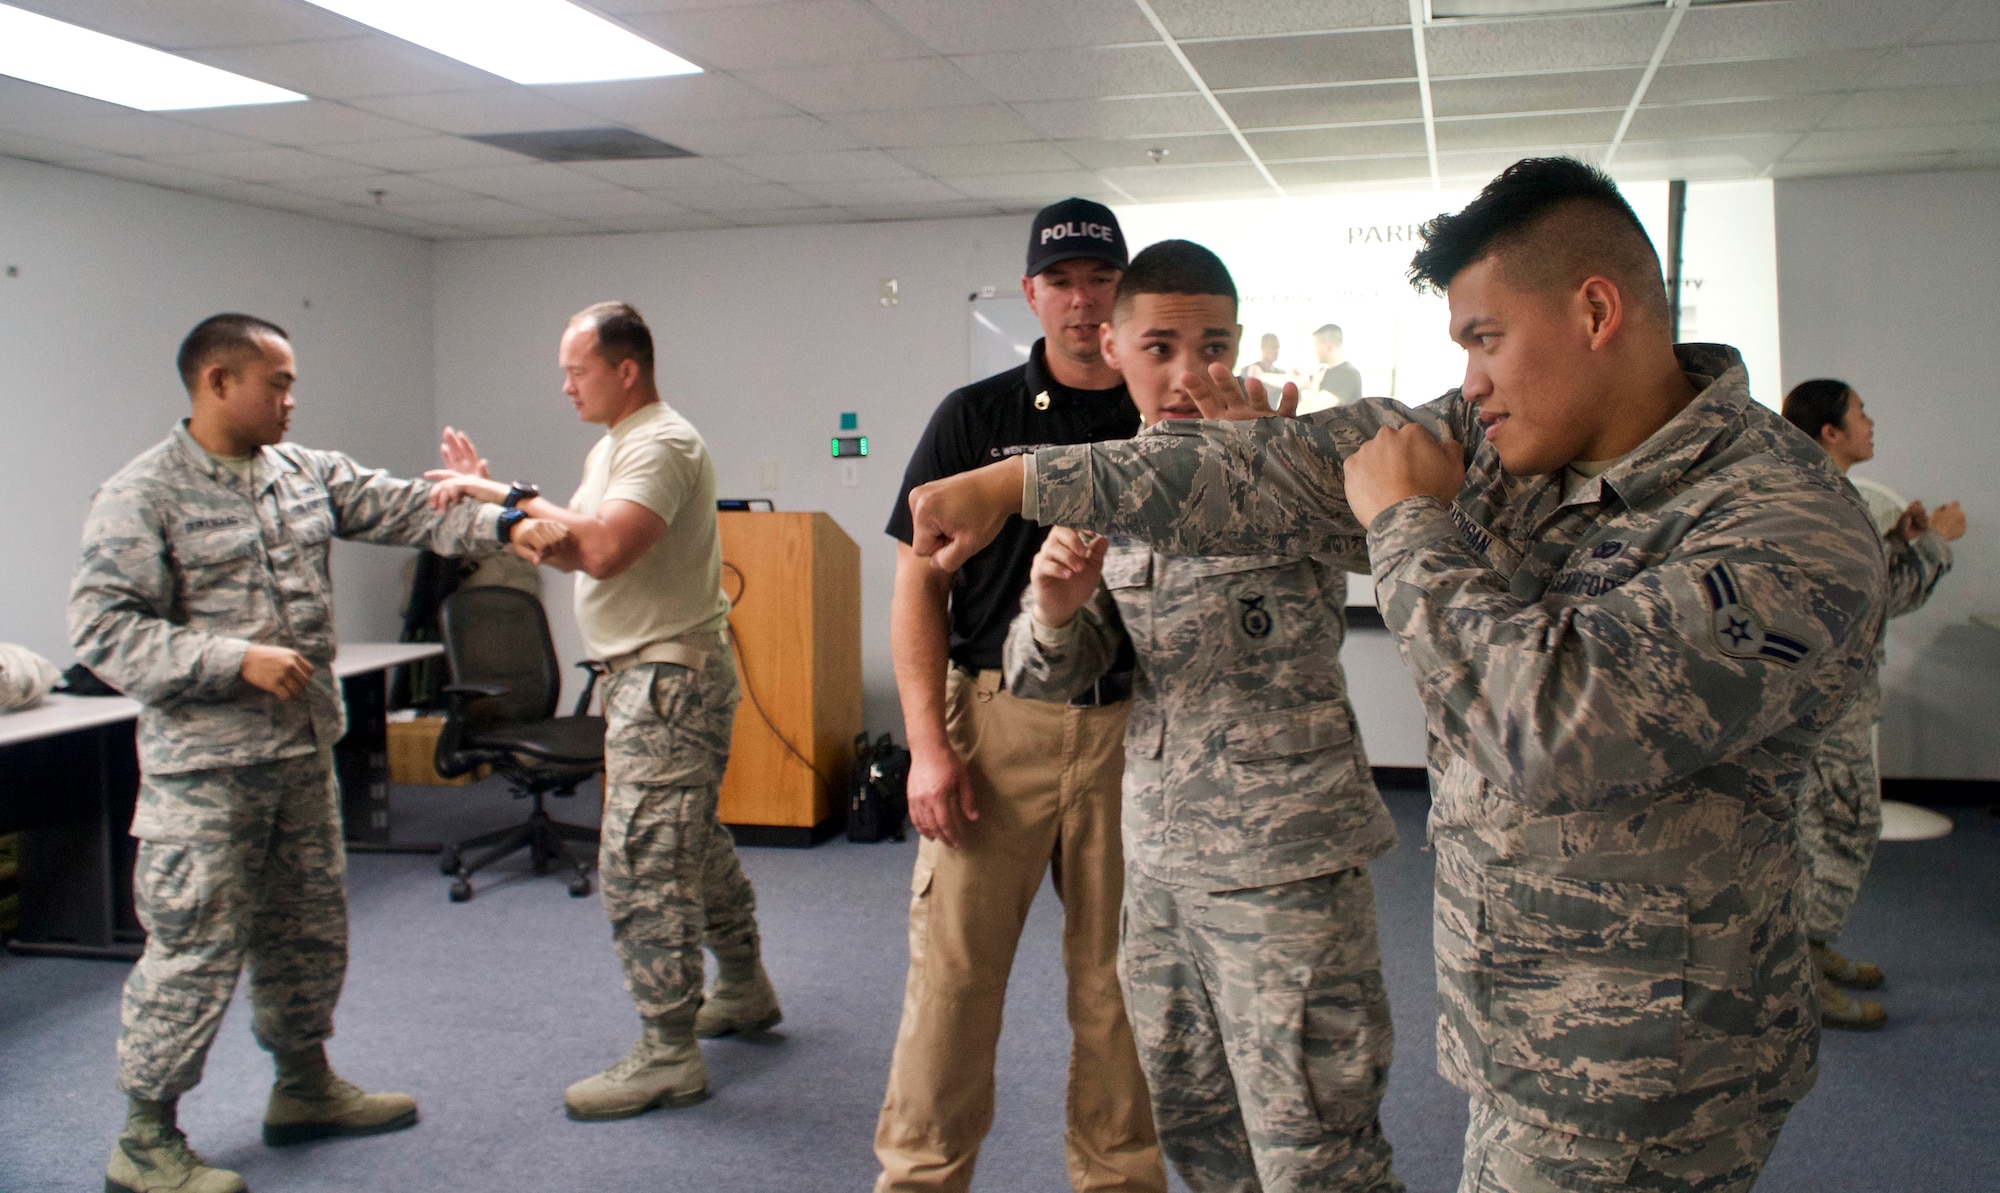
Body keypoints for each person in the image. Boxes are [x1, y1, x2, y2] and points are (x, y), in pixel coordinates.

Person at [905, 158, 1888, 1193]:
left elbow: (1551, 730)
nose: (1466, 382)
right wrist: (1018, 480)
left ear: (1595, 309)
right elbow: (1263, 469)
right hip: (1511, 1017)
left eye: (1483, 340)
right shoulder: (1502, 442)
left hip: (1649, 1072)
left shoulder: (1784, 519)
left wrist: (1406, 524)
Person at [71, 314, 563, 1193]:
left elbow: (407, 506)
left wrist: (504, 523)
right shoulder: (142, 494)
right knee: (195, 948)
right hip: (204, 775)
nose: (291, 401)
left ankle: (303, 1087)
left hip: (299, 757)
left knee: (307, 932)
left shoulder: (300, 474)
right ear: (217, 382)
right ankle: (146, 1135)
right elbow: (106, 633)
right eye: (276, 383)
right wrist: (233, 659)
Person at [1003, 240, 1403, 1192]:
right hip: (1163, 863)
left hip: (1286, 865)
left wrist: (1268, 465)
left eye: (1214, 345)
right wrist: (1057, 610)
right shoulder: (1113, 486)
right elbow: (1046, 674)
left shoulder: (1293, 457)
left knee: (1316, 1143)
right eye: (1163, 347)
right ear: (1114, 349)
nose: (1191, 375)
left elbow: (1392, 539)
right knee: (1193, 1117)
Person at [876, 198, 1165, 1193]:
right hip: (991, 723)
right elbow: (917, 589)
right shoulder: (972, 417)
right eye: (1064, 282)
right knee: (953, 983)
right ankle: (919, 1174)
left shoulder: (1161, 418)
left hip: (1139, 727)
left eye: (1103, 281)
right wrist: (925, 743)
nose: (1084, 303)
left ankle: (1119, 1177)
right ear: (1032, 292)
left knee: (1121, 987)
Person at [427, 303, 777, 1122]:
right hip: (642, 678)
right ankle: (746, 985)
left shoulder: (661, 443)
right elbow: (571, 530)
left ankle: (668, 1051)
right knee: (686, 839)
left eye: (576, 370)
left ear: (626, 370)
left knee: (644, 859)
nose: (564, 385)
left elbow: (602, 546)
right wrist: (497, 492)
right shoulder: (613, 443)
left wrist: (504, 514)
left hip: (667, 679)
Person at [1781, 377, 1962, 1029]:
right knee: (1839, 829)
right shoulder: (1829, 500)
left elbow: (1860, 581)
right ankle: (1800, 972)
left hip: (1825, 699)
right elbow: (1881, 597)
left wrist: (1900, 542)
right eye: (1860, 413)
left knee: (1831, 829)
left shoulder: (1821, 496)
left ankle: (1813, 948)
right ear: (1830, 431)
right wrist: (1937, 540)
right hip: (1827, 705)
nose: (1871, 421)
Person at [1313, 324, 1363, 405]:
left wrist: (1315, 385)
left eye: (1316, 345)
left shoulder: (1348, 374)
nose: (1314, 351)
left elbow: (1317, 409)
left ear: (1327, 346)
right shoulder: (1325, 372)